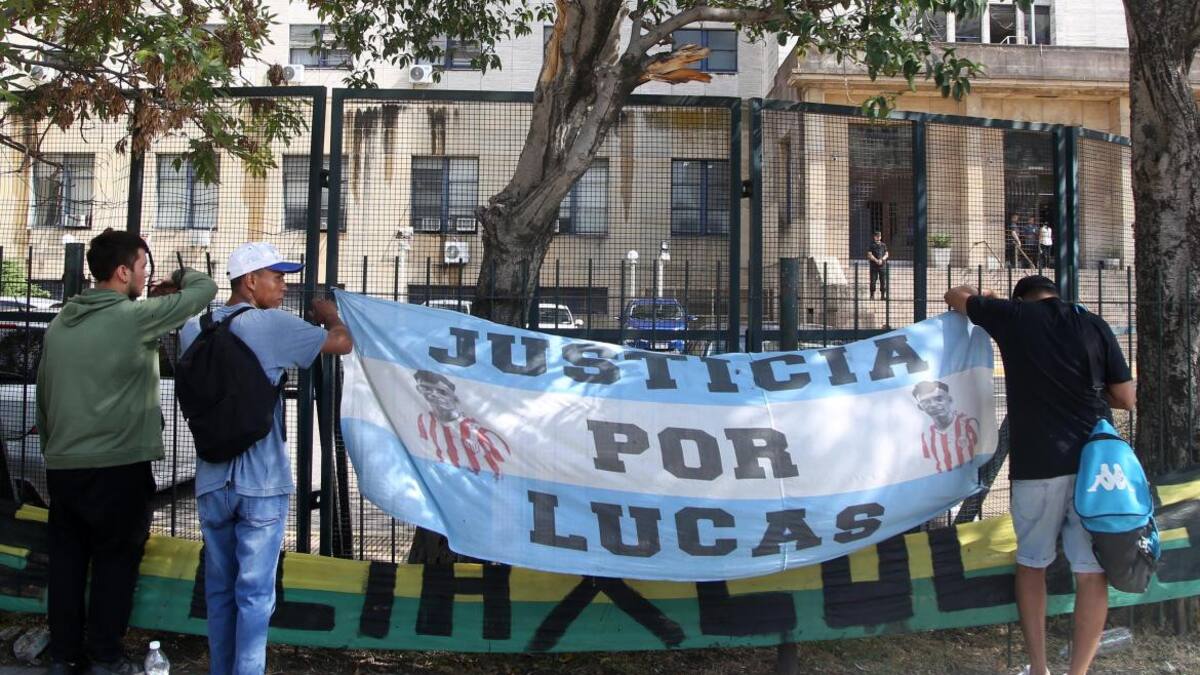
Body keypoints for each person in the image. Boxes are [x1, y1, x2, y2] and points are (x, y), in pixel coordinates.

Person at [37, 229, 217, 675]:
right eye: (142, 268)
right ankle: (105, 656)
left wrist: (55, 450)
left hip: (64, 465)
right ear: (122, 272)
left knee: (67, 564)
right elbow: (205, 289)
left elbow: (44, 395)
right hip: (118, 466)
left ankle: (63, 656)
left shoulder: (61, 321)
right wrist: (177, 277)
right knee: (115, 563)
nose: (146, 276)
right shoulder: (133, 317)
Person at [944, 275, 1136, 675]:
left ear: (1021, 299)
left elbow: (955, 295)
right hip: (1093, 469)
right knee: (1092, 573)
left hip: (1036, 465)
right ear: (1056, 295)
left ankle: (1038, 666)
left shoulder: (1013, 317)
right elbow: (1126, 397)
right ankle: (1078, 671)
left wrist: (988, 299)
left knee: (1032, 565)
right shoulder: (1093, 323)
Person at [180, 242, 352, 675]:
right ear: (249, 281)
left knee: (219, 591)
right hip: (261, 482)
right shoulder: (271, 325)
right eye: (276, 277)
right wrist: (330, 314)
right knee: (255, 596)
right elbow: (342, 343)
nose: (284, 286)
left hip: (212, 479)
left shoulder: (193, 328)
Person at [414, 369, 511, 476]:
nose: (434, 396)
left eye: (441, 392)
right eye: (426, 390)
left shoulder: (484, 435)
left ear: (454, 397)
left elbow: (505, 469)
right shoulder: (425, 421)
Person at [913, 380, 980, 473]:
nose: (933, 405)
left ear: (950, 400)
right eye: (926, 402)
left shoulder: (969, 424)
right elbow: (928, 465)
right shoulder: (926, 436)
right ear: (920, 407)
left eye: (939, 399)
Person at [866, 230, 889, 300]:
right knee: (873, 281)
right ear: (874, 237)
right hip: (874, 266)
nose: (878, 237)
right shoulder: (871, 245)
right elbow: (869, 255)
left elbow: (886, 254)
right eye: (877, 236)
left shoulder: (883, 245)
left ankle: (883, 296)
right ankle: (872, 295)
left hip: (882, 266)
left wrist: (882, 260)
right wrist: (876, 260)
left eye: (879, 236)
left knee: (883, 281)